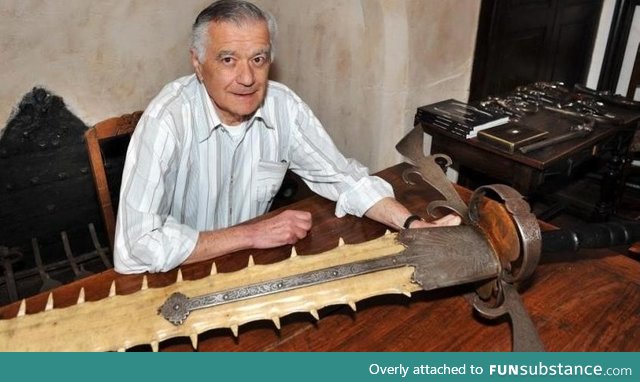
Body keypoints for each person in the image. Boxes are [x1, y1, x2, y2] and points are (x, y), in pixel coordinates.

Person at [113, 0, 460, 274]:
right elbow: (135, 249)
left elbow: (343, 179)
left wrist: (413, 224)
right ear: (198, 63)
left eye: (258, 59)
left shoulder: (283, 107)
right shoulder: (167, 120)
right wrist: (250, 234)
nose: (247, 78)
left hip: (254, 267)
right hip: (178, 274)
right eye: (228, 59)